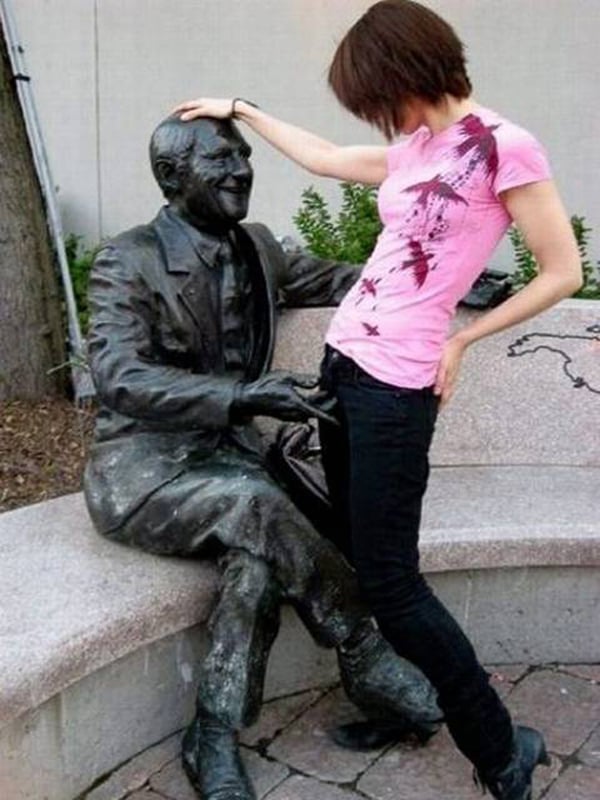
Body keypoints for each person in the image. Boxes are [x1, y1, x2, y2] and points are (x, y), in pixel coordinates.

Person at [172, 1, 582, 797]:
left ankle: (501, 750)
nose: (374, 115)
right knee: (362, 556)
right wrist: (243, 109)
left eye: (374, 94)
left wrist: (462, 339)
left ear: (406, 70)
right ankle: (407, 709)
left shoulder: (505, 146)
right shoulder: (418, 148)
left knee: (393, 581)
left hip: (399, 386)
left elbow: (560, 270)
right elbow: (324, 157)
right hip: (346, 368)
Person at [83, 112, 443, 800]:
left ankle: (212, 735)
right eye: (221, 160)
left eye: (244, 157)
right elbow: (119, 376)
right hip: (147, 470)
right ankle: (363, 651)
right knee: (256, 506)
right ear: (170, 176)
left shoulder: (256, 247)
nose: (242, 171)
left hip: (234, 467)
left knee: (254, 564)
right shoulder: (126, 260)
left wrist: (453, 283)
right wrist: (244, 395)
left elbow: (345, 278)